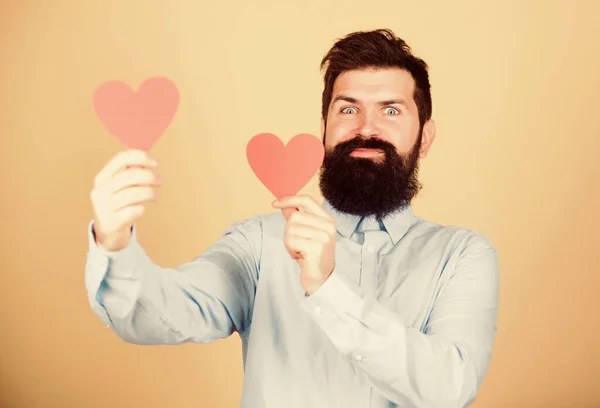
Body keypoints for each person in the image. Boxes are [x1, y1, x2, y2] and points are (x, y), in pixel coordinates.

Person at [85, 28, 499, 408]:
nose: (366, 129)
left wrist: (326, 288)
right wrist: (114, 243)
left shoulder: (462, 256)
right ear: (323, 127)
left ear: (424, 137)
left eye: (391, 111)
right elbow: (155, 315)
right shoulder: (259, 243)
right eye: (348, 110)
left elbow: (450, 387)